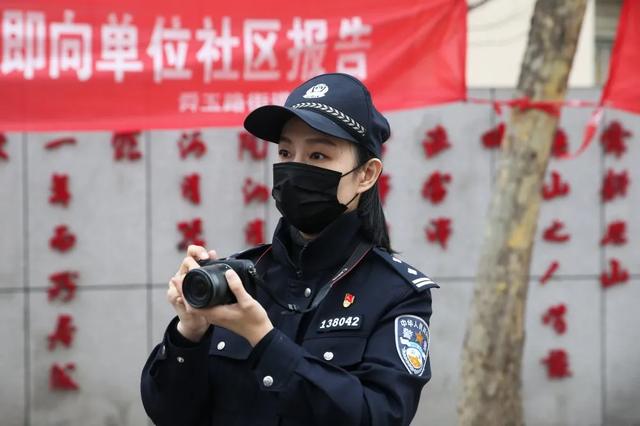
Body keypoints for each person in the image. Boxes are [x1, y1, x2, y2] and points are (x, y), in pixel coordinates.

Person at [141, 73, 439, 426]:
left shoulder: (395, 293)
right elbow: (170, 413)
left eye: (317, 154)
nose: (295, 168)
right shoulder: (241, 278)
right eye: (285, 152)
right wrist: (188, 334)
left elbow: (380, 416)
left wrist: (263, 340)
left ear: (366, 175)